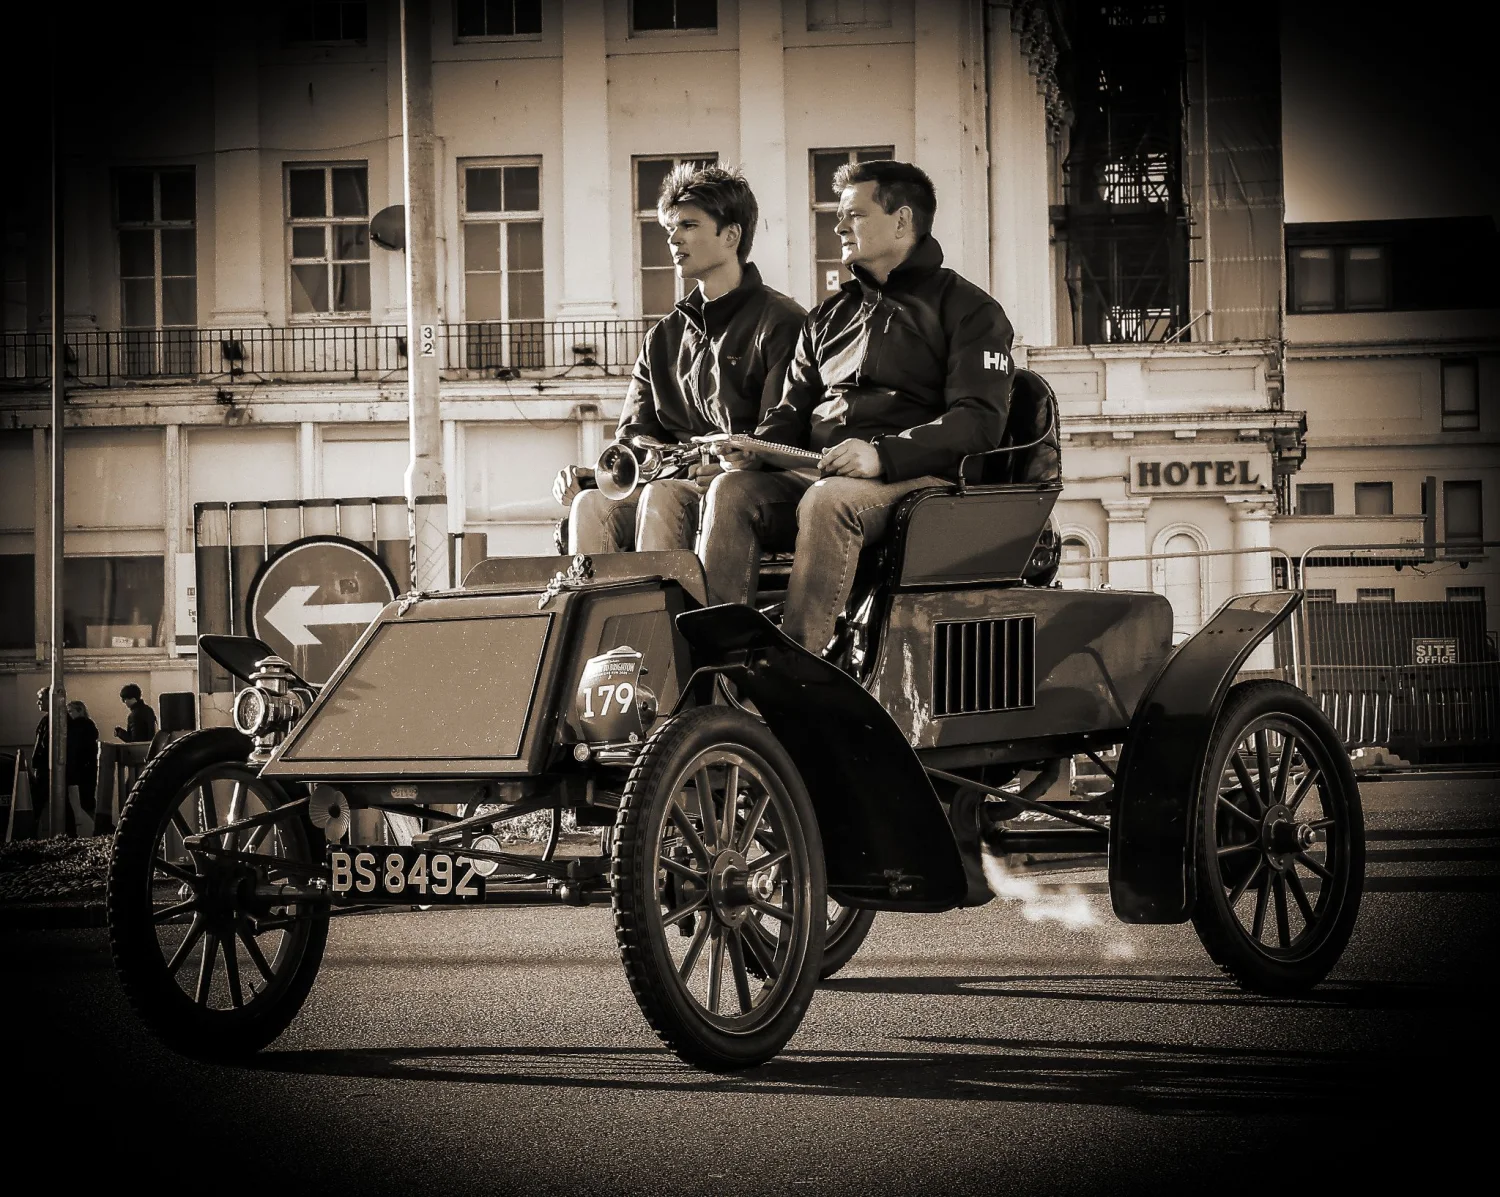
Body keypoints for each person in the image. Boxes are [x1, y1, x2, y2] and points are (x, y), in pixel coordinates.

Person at [697, 159, 1016, 654]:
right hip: (824, 476)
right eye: (840, 215)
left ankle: (796, 666)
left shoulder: (971, 310)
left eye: (855, 214)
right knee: (731, 490)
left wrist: (882, 455)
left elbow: (980, 422)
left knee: (829, 501)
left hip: (918, 484)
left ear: (903, 221)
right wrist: (755, 448)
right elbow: (790, 411)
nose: (839, 225)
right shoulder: (828, 314)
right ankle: (719, 663)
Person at [552, 164, 805, 554]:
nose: (673, 239)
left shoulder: (782, 321)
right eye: (670, 228)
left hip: (747, 489)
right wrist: (594, 476)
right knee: (590, 504)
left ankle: (663, 616)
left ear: (731, 235)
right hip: (678, 483)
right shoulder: (662, 337)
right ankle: (606, 613)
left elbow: (783, 432)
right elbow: (634, 436)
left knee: (664, 496)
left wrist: (739, 455)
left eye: (688, 225)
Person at [64, 700, 99, 834]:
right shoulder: (89, 725)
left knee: (82, 800)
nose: (68, 714)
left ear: (79, 711)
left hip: (80, 768)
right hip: (87, 768)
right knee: (86, 800)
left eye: (70, 711)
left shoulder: (77, 726)